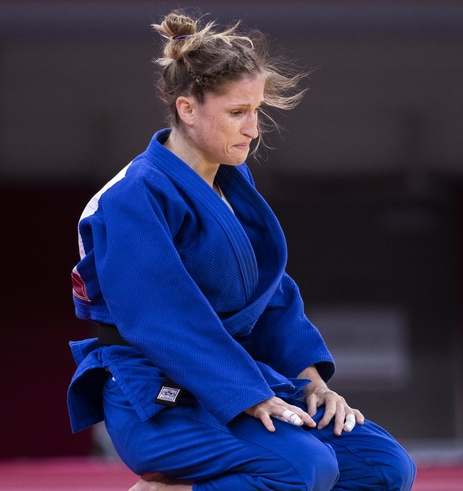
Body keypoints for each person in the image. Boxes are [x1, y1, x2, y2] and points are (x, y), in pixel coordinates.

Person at [66, 10, 416, 491]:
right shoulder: (133, 197)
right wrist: (246, 394)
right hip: (155, 393)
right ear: (187, 109)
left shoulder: (232, 182)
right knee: (303, 469)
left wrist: (312, 381)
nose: (253, 129)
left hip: (239, 375)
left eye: (257, 112)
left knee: (383, 468)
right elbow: (160, 319)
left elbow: (270, 295)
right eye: (237, 113)